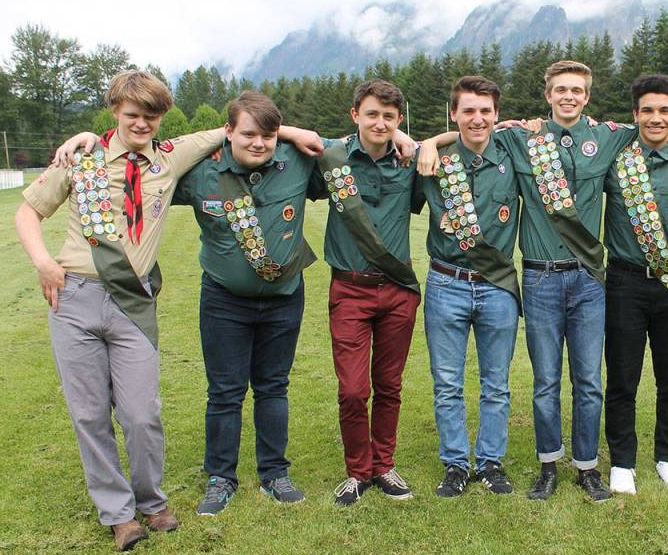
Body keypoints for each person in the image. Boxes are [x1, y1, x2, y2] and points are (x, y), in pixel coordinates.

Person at [420, 60, 668, 502]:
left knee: (588, 381)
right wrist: (430, 142)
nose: (568, 96)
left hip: (588, 281)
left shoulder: (608, 136)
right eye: (560, 89)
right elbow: (473, 133)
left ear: (587, 96)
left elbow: (658, 128)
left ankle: (587, 467)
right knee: (546, 382)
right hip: (540, 280)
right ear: (547, 94)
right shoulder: (521, 138)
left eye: (576, 90)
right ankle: (548, 465)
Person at [15, 70, 227, 550]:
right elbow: (28, 212)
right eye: (133, 115)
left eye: (152, 116)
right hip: (74, 299)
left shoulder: (168, 159)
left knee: (141, 412)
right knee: (89, 414)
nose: (142, 124)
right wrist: (43, 262)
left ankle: (152, 502)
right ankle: (118, 514)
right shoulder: (81, 159)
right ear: (115, 111)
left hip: (132, 303)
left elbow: (231, 128)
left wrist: (295, 130)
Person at [171, 92, 322, 515]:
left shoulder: (297, 159)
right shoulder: (200, 171)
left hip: (283, 298)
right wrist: (86, 140)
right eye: (248, 134)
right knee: (225, 392)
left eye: (268, 135)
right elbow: (151, 156)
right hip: (223, 300)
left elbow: (361, 141)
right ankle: (221, 477)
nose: (258, 143)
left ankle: (274, 473)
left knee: (273, 386)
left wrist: (289, 133)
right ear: (228, 132)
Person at [413, 76, 521, 497]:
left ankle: (491, 461)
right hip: (447, 283)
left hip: (497, 285)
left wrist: (431, 139)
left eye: (485, 111)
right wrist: (428, 142)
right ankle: (456, 464)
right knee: (448, 384)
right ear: (453, 114)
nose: (478, 119)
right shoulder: (433, 160)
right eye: (468, 111)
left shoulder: (512, 152)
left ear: (496, 114)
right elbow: (388, 139)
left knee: (497, 384)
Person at [316, 79, 422, 506]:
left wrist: (412, 141)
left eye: (389, 117)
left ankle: (384, 466)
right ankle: (358, 471)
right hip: (350, 289)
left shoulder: (410, 160)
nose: (380, 123)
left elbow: (467, 136)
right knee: (353, 390)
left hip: (398, 290)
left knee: (389, 385)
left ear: (399, 120)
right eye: (372, 114)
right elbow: (277, 133)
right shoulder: (332, 157)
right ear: (355, 114)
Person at [602, 74, 668, 495]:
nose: (656, 118)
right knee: (622, 379)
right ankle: (622, 461)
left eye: (665, 110)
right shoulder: (616, 157)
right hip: (625, 282)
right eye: (647, 110)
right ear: (635, 114)